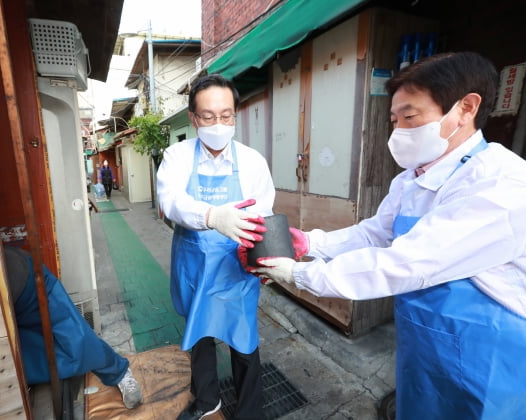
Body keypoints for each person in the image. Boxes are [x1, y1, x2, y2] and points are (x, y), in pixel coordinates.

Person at [251, 52, 526, 418]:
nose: (398, 131)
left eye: (410, 117)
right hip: (425, 341)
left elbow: (407, 261)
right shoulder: (411, 178)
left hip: (485, 349)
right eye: (394, 120)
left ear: (466, 108)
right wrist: (312, 243)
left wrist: (299, 274)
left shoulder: (500, 183)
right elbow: (377, 234)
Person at [157, 74, 275, 420]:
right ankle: (208, 400)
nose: (218, 123)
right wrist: (211, 215)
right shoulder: (177, 156)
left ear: (235, 116)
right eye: (208, 116)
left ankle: (250, 411)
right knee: (200, 336)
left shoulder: (253, 162)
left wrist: (264, 261)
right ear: (194, 119)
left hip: (236, 267)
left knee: (243, 339)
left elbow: (262, 215)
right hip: (194, 265)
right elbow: (171, 201)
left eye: (226, 115)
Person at [3, 246, 143, 409]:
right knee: (24, 361)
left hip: (28, 284)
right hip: (6, 309)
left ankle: (119, 372)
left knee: (78, 341)